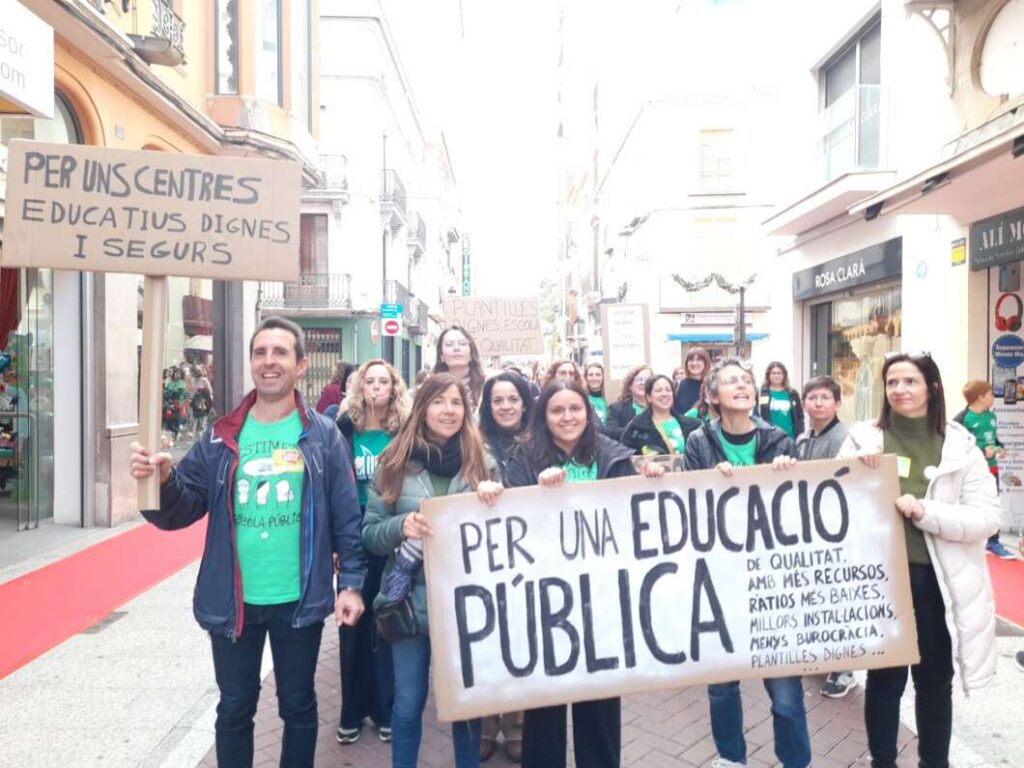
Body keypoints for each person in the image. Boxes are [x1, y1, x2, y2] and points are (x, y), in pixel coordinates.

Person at [128, 317, 366, 768]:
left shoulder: (323, 436)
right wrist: (160, 483)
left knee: (298, 706)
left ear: (301, 364)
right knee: (234, 708)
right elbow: (184, 507)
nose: (269, 362)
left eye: (280, 353)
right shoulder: (220, 437)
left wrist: (350, 583)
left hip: (299, 599)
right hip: (233, 600)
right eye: (260, 353)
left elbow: (346, 515)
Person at [838, 352, 1001, 768]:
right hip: (881, 581)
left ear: (932, 388)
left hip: (935, 584)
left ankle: (934, 762)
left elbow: (986, 517)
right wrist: (851, 475)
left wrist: (927, 513)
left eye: (909, 381)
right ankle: (883, 762)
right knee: (884, 679)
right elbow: (829, 505)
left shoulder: (961, 446)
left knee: (933, 683)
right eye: (892, 382)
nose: (899, 390)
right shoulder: (862, 439)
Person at [505, 379, 664, 768]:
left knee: (600, 709)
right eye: (557, 411)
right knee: (545, 708)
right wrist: (532, 494)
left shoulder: (615, 455)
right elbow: (508, 522)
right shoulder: (524, 457)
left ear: (588, 413)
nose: (567, 417)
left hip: (603, 600)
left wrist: (652, 479)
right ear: (543, 417)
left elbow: (636, 515)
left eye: (575, 409)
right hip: (547, 602)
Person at [362, 373, 503, 768]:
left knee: (465, 704)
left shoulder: (483, 463)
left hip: (466, 604)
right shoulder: (393, 461)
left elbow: (503, 536)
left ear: (466, 410)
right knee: (408, 703)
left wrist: (495, 498)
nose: (448, 411)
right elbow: (370, 534)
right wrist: (400, 526)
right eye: (438, 402)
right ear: (423, 408)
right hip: (410, 602)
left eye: (456, 403)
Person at [683, 356, 811, 768]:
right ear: (713, 396)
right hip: (719, 581)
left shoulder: (779, 442)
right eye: (731, 382)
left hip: (771, 582)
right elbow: (685, 508)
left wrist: (788, 474)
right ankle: (731, 759)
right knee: (721, 687)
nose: (742, 386)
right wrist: (705, 483)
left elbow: (796, 512)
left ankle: (795, 760)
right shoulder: (699, 444)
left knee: (787, 693)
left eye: (747, 381)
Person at [334, 359, 409, 745]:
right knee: (352, 628)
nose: (377, 387)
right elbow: (332, 487)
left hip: (391, 540)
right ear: (359, 388)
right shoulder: (343, 430)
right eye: (370, 381)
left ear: (394, 388)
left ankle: (385, 708)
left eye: (384, 381)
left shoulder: (405, 432)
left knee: (387, 624)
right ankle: (351, 711)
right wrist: (334, 542)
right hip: (352, 541)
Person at [476, 371, 534, 762]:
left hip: (528, 556)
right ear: (487, 405)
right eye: (498, 400)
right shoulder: (471, 442)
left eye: (513, 399)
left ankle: (515, 720)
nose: (506, 406)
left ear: (525, 403)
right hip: (481, 556)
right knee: (484, 639)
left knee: (521, 641)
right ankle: (484, 720)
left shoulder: (540, 440)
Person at [793, 375, 856, 699]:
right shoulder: (803, 439)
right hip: (810, 527)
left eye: (825, 398)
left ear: (837, 403)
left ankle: (845, 668)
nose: (818, 403)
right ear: (803, 403)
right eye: (812, 398)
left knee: (837, 597)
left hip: (834, 528)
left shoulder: (844, 439)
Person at [953, 379, 1014, 559]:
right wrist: (980, 451)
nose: (993, 397)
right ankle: (966, 540)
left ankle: (993, 542)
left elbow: (992, 439)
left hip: (992, 469)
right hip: (971, 472)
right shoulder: (961, 419)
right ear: (980, 397)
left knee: (993, 505)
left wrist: (999, 447)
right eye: (990, 394)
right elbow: (956, 446)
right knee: (968, 504)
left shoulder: (991, 416)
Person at [621, 373, 701, 462]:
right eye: (658, 390)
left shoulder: (693, 425)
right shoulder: (636, 428)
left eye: (668, 390)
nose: (664, 394)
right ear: (648, 397)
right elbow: (625, 459)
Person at [434, 325, 486, 408]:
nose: (456, 348)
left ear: (472, 352)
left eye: (462, 344)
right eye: (449, 344)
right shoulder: (430, 388)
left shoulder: (486, 384)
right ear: (441, 355)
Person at [603, 364, 651, 442]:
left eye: (647, 380)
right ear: (630, 385)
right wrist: (637, 432)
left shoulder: (659, 409)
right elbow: (610, 431)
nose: (643, 383)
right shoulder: (616, 408)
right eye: (639, 379)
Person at [759, 361, 804, 439]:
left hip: (790, 438)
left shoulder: (792, 393)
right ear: (768, 375)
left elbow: (799, 416)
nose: (776, 375)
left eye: (779, 373)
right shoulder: (761, 393)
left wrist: (800, 434)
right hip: (769, 439)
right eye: (773, 373)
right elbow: (756, 415)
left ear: (784, 375)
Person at [674, 347, 712, 414]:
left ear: (706, 363)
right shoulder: (678, 385)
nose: (694, 363)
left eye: (699, 360)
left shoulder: (711, 386)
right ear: (686, 363)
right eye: (691, 360)